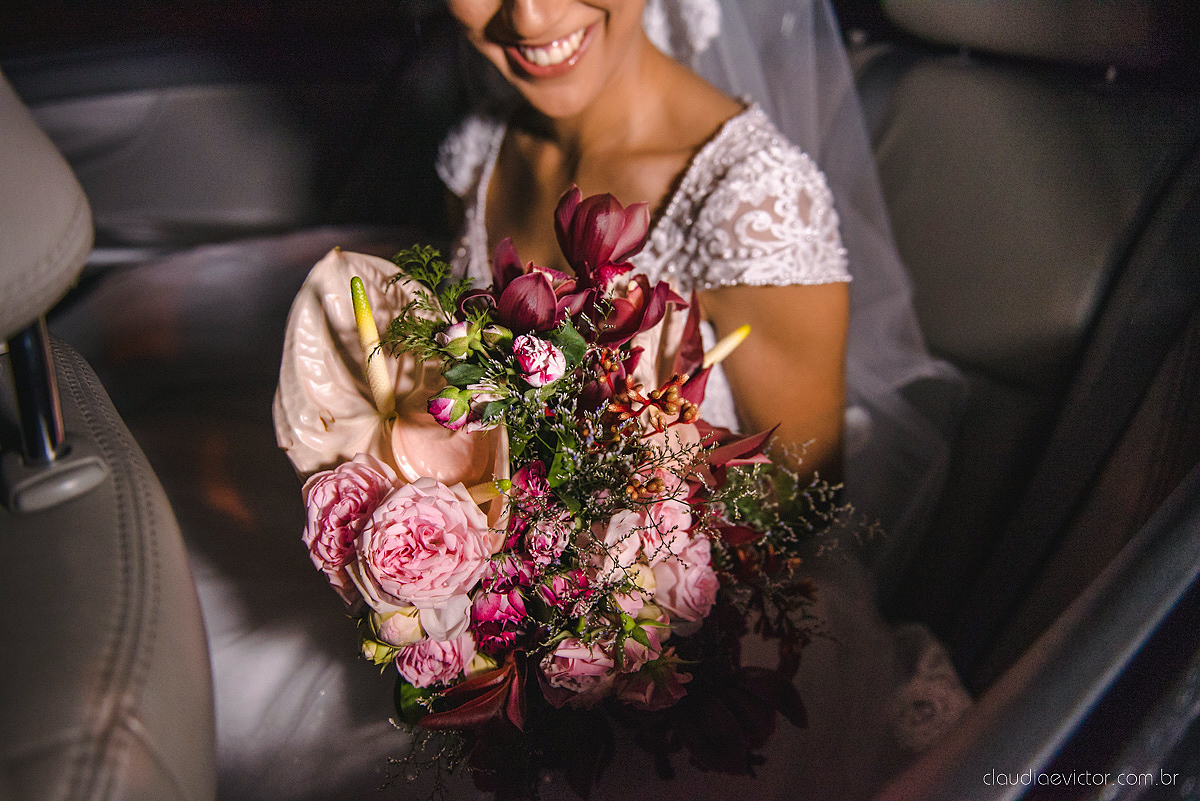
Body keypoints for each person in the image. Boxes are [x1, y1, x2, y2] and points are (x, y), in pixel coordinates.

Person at [426, 0, 973, 797]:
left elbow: (805, 512)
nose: (534, 14)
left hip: (691, 658)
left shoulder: (750, 199)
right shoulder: (482, 151)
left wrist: (606, 592)